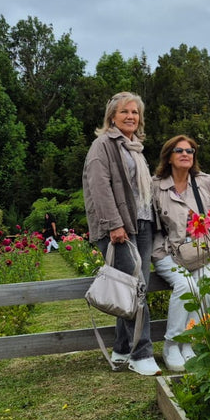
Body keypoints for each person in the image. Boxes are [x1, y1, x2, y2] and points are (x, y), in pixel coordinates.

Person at [82, 92, 161, 376]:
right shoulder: (102, 146)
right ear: (112, 117)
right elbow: (99, 187)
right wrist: (113, 224)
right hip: (119, 227)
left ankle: (122, 349)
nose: (131, 116)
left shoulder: (135, 148)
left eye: (135, 112)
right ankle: (142, 354)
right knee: (135, 290)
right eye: (124, 111)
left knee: (132, 289)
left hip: (143, 224)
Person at [150, 134, 210, 372]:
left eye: (190, 151)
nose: (185, 154)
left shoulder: (203, 182)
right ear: (168, 157)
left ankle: (191, 341)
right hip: (167, 251)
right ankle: (172, 344)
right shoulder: (156, 186)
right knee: (186, 286)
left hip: (200, 250)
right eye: (179, 151)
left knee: (205, 284)